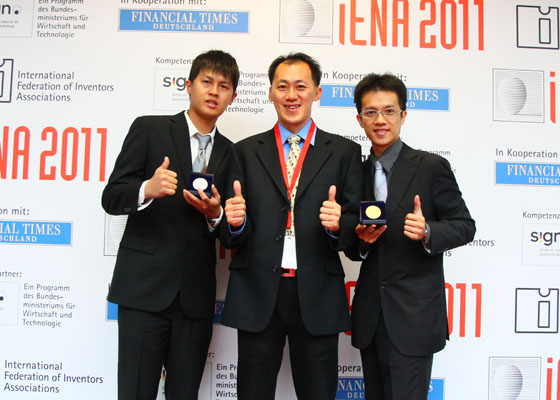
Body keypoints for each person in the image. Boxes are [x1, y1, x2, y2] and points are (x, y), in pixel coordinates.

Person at [220, 52, 362, 400]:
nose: (291, 95)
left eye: (301, 86)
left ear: (317, 92)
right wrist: (234, 223)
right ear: (270, 93)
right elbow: (228, 233)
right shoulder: (244, 152)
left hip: (318, 292)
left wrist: (338, 225)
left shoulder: (344, 152)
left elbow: (357, 232)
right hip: (257, 291)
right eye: (282, 87)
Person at [101, 49, 239, 400]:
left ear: (233, 97)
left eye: (223, 86)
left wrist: (215, 214)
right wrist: (146, 189)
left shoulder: (231, 152)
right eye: (206, 82)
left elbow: (231, 232)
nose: (214, 91)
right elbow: (111, 197)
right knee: (135, 392)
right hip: (143, 291)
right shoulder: (150, 128)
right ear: (189, 85)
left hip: (194, 299)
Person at [348, 73, 476, 400]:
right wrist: (361, 241)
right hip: (370, 317)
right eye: (371, 112)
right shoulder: (355, 173)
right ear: (360, 119)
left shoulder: (431, 166)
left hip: (413, 318)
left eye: (389, 111)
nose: (380, 120)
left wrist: (428, 231)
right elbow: (352, 245)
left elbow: (465, 225)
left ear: (403, 115)